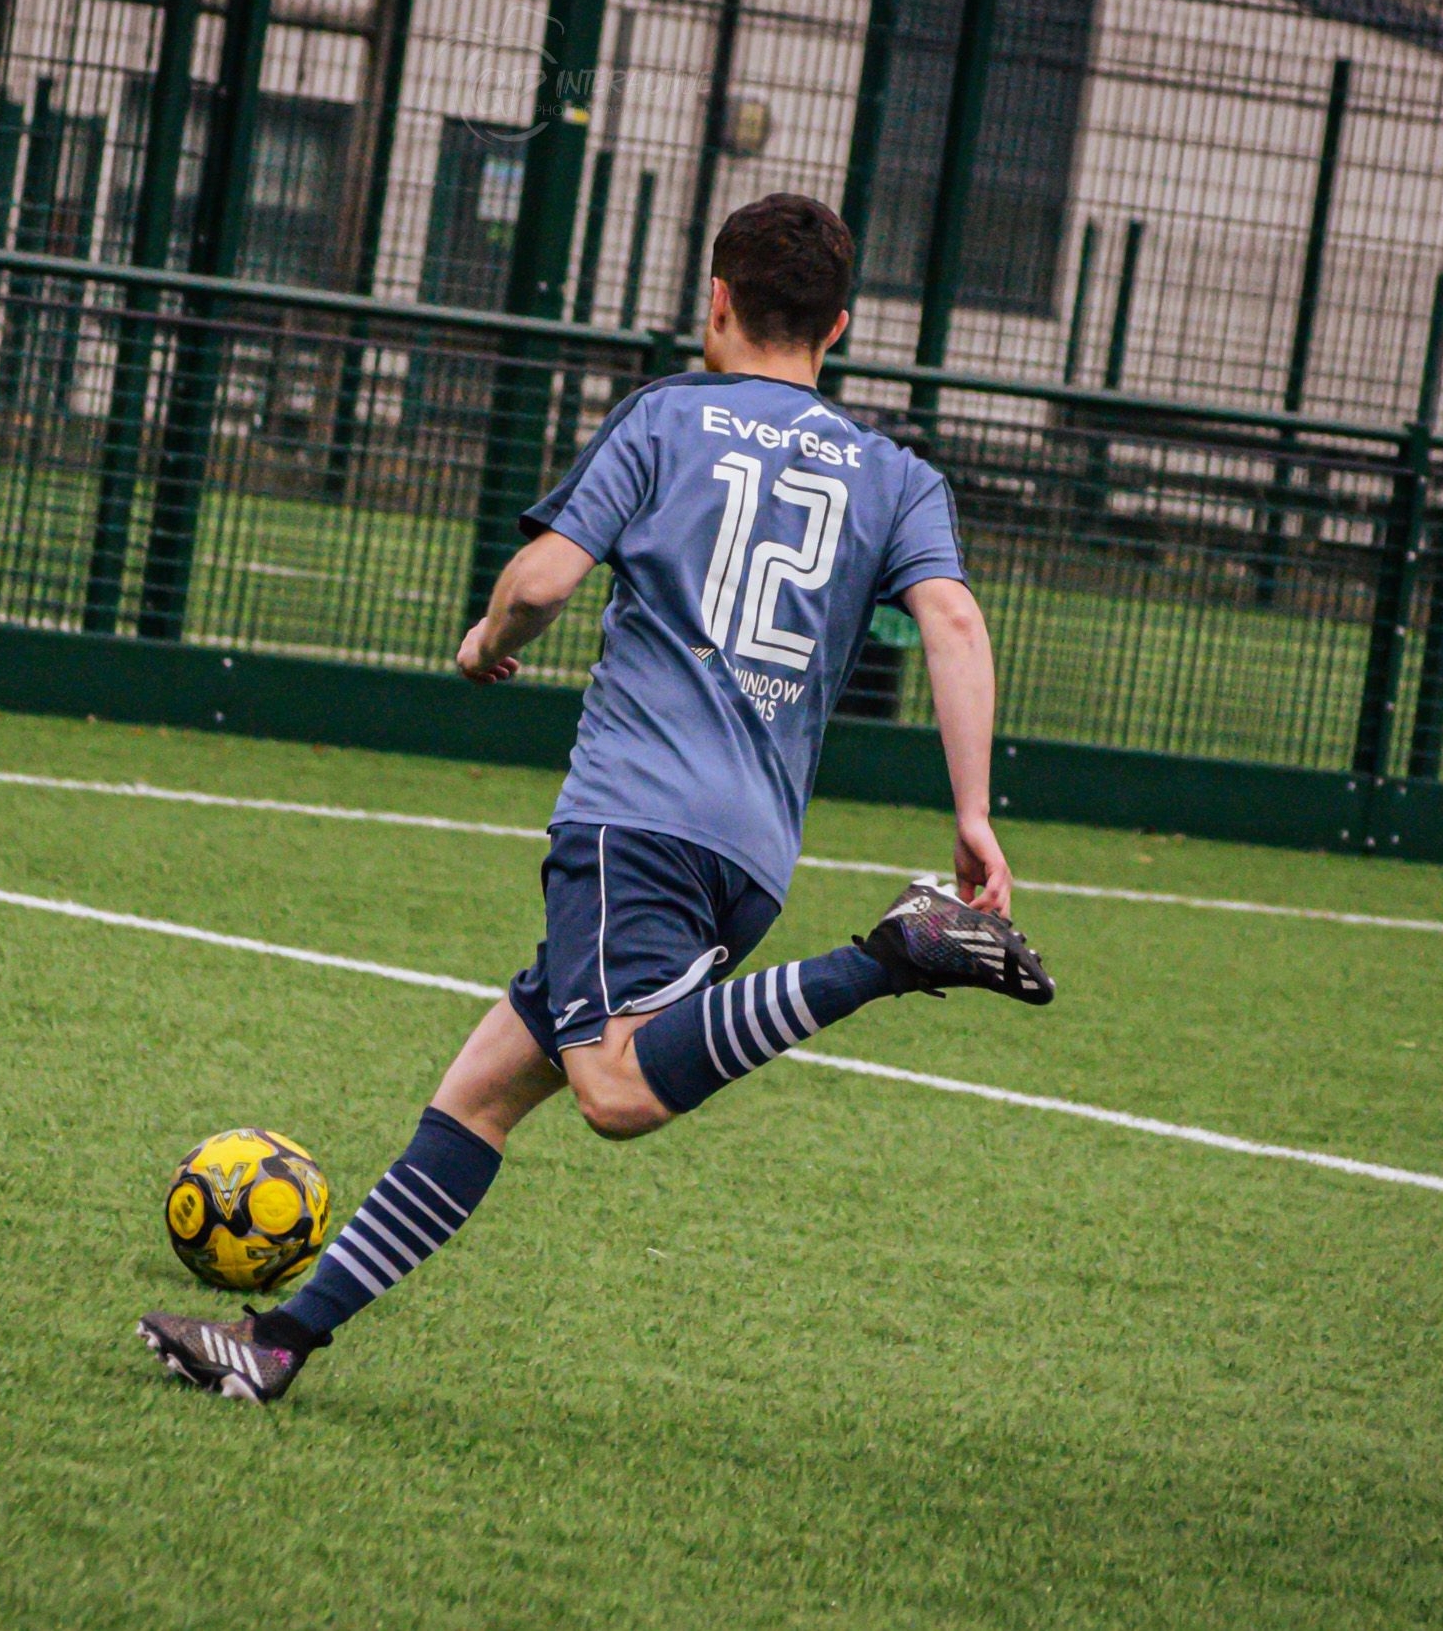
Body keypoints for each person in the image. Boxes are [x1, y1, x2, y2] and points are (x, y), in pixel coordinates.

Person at [140, 193, 1053, 1404]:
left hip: (632, 819)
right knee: (480, 1091)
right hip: (751, 851)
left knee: (613, 1090)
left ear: (713, 300)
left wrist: (484, 638)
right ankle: (278, 1346)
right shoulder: (894, 474)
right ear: (836, 327)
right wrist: (975, 807)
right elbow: (951, 617)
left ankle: (889, 954)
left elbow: (548, 575)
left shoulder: (666, 416)